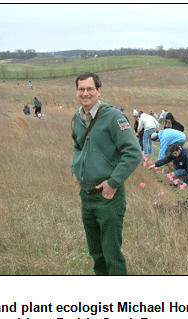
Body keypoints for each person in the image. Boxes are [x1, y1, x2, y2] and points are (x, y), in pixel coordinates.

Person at [71, 72, 142, 275]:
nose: (85, 93)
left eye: (90, 89)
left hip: (108, 198)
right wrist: (75, 172)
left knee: (112, 255)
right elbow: (77, 146)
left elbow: (133, 152)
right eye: (81, 89)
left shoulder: (113, 117)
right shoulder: (77, 118)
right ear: (77, 92)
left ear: (99, 90)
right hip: (86, 196)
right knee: (96, 254)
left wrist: (113, 182)